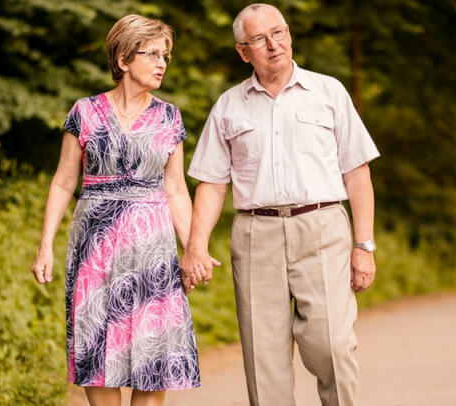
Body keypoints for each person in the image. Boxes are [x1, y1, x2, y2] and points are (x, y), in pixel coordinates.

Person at [180, 3, 380, 405]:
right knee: (264, 358)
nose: (274, 44)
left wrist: (364, 246)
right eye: (259, 39)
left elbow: (357, 175)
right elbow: (212, 183)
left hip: (322, 228)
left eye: (279, 32)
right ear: (243, 51)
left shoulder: (328, 92)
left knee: (332, 345)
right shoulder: (229, 106)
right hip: (256, 234)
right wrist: (196, 246)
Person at [30, 14, 215, 406]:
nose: (163, 62)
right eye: (153, 55)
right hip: (95, 253)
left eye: (167, 55)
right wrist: (45, 245)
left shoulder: (169, 117)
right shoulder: (84, 112)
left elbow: (177, 190)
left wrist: (193, 248)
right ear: (124, 58)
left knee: (151, 361)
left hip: (153, 255)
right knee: (97, 351)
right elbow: (64, 182)